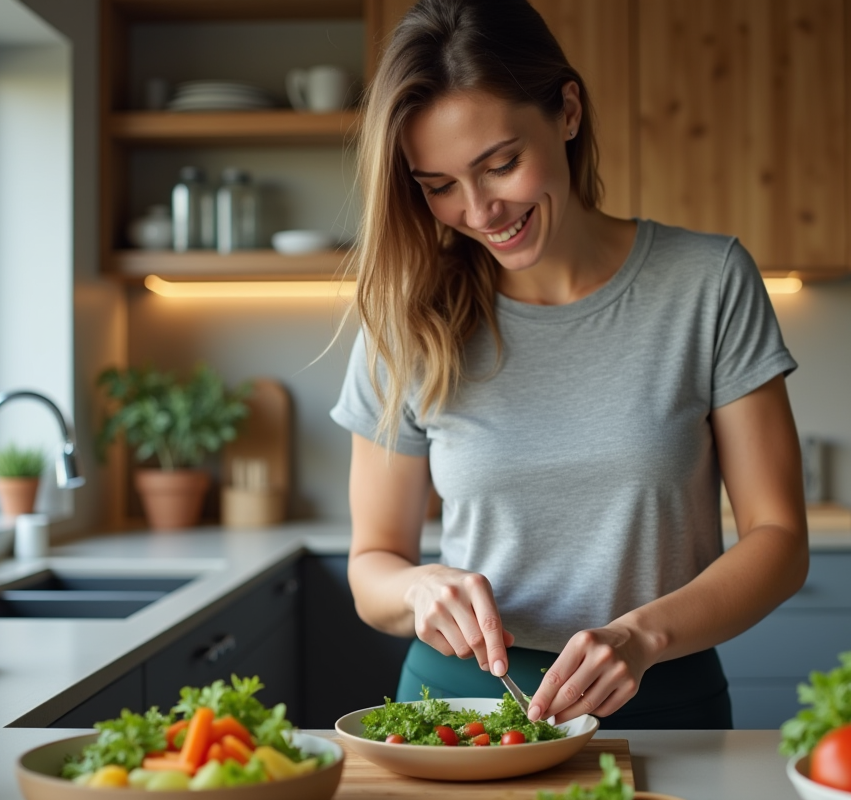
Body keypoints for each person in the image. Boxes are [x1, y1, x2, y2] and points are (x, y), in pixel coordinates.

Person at [330, 0, 809, 730]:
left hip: (662, 706)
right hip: (458, 714)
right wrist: (418, 589)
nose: (480, 210)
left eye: (501, 164)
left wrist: (642, 636)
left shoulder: (706, 283)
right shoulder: (407, 316)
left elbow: (778, 541)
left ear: (568, 112)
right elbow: (373, 564)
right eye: (439, 186)